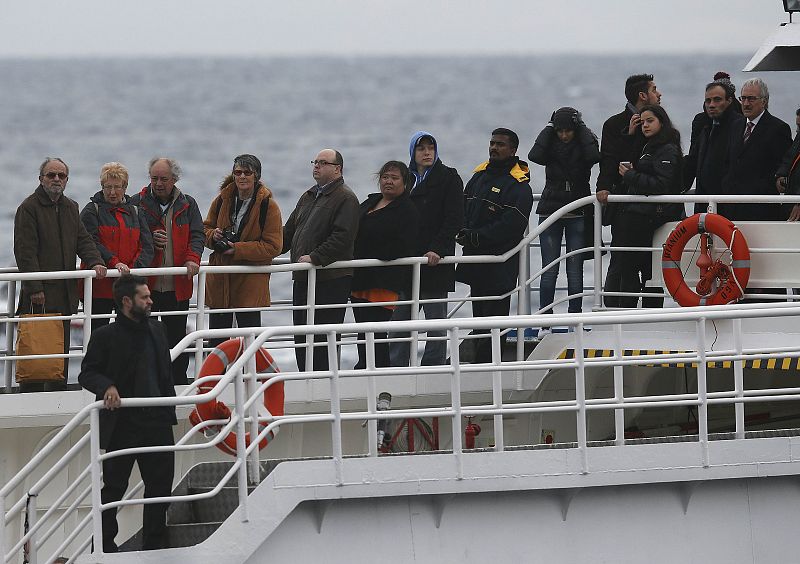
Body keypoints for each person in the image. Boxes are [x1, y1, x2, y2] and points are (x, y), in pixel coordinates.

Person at [78, 275, 176, 552]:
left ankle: (154, 548)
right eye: (144, 297)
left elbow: (164, 373)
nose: (150, 301)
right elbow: (88, 372)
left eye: (149, 296)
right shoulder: (104, 336)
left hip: (157, 421)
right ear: (126, 301)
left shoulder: (158, 330)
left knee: (160, 489)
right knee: (113, 489)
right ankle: (105, 547)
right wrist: (107, 386)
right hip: (122, 424)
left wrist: (170, 409)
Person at [14, 158, 106, 391]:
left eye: (61, 176)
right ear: (41, 179)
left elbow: (83, 240)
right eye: (51, 175)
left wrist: (96, 262)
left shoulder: (70, 207)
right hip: (40, 295)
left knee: (59, 356)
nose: (56, 179)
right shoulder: (29, 208)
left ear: (66, 180)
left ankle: (57, 398)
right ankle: (31, 404)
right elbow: (25, 252)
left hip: (65, 294)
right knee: (35, 354)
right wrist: (35, 288)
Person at [455, 128, 533, 363]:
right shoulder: (479, 177)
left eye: (500, 144)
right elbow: (463, 206)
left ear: (513, 150)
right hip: (476, 261)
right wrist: (464, 232)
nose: (494, 148)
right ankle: (481, 364)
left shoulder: (519, 186)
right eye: (492, 143)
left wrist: (477, 237)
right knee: (479, 318)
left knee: (495, 321)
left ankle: (490, 367)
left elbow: (511, 225)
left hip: (500, 264)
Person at [389, 132, 463, 368]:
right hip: (406, 263)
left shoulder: (448, 178)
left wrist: (438, 249)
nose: (427, 152)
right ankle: (396, 367)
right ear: (413, 152)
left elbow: (454, 218)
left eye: (431, 148)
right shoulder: (405, 179)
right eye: (421, 149)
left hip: (435, 263)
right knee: (400, 321)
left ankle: (434, 368)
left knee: (435, 323)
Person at [130, 158, 204, 385]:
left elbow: (198, 236)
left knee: (176, 337)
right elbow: (130, 237)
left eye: (163, 179)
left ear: (174, 180)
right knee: (143, 336)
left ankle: (178, 382)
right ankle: (145, 382)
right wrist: (149, 237)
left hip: (176, 285)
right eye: (154, 178)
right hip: (146, 285)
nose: (158, 183)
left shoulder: (188, 204)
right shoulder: (136, 202)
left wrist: (192, 259)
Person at [528, 107, 600, 332]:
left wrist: (581, 128)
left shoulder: (584, 144)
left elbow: (594, 156)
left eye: (568, 130)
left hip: (577, 210)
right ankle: (545, 322)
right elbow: (534, 155)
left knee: (575, 269)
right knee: (549, 269)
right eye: (559, 131)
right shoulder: (549, 146)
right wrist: (549, 128)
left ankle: (574, 321)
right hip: (551, 209)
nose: (564, 135)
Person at [607, 105, 685, 308]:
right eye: (643, 122)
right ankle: (629, 316)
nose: (645, 126)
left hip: (651, 218)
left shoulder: (667, 148)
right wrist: (630, 136)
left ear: (661, 121)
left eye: (650, 121)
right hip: (638, 217)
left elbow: (662, 184)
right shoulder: (647, 146)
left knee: (645, 272)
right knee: (634, 270)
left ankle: (639, 316)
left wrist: (631, 176)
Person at [596, 73, 662, 308]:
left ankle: (652, 316)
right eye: (655, 89)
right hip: (626, 207)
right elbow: (610, 162)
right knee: (623, 262)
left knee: (653, 265)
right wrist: (602, 188)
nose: (659, 93)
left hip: (655, 208)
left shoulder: (659, 122)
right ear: (643, 95)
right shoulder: (615, 124)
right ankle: (618, 314)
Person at [204, 155, 283, 348]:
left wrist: (237, 249)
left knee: (250, 342)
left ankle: (250, 378)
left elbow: (273, 246)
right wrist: (214, 236)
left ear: (257, 176)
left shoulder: (268, 206)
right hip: (221, 281)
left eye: (247, 173)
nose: (242, 177)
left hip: (250, 282)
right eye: (238, 172)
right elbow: (203, 230)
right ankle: (217, 379)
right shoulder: (222, 199)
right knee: (217, 342)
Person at [351, 161, 419, 369]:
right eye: (385, 176)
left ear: (405, 183)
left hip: (384, 281)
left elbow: (404, 245)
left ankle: (379, 375)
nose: (388, 181)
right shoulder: (370, 202)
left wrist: (371, 251)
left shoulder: (407, 209)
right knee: (362, 332)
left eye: (394, 178)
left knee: (376, 331)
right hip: (360, 278)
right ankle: (363, 368)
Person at [80, 162, 154, 333]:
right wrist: (115, 263)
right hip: (100, 287)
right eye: (108, 187)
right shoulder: (92, 211)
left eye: (117, 187)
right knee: (98, 333)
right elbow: (91, 243)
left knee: (132, 333)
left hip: (129, 286)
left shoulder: (136, 212)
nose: (112, 193)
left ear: (125, 187)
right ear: (102, 187)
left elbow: (147, 246)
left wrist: (134, 270)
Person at [720, 78, 792, 222]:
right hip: (732, 209)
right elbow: (728, 163)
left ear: (764, 101)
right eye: (743, 98)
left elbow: (784, 167)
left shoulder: (778, 128)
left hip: (762, 211)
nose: (746, 103)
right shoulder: (735, 126)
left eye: (751, 99)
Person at [683, 75, 745, 213]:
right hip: (704, 203)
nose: (711, 105)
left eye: (717, 100)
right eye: (708, 100)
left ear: (729, 100)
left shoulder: (740, 126)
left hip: (728, 206)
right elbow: (694, 162)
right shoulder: (706, 127)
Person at [777, 107, 800, 221]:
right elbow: (789, 156)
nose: (796, 131)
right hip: (790, 200)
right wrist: (780, 175)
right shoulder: (799, 138)